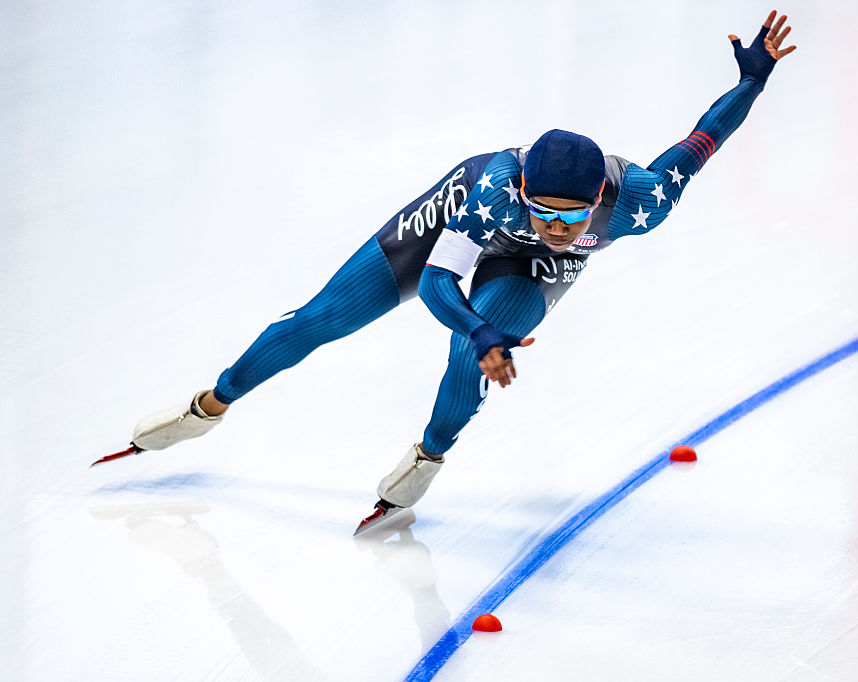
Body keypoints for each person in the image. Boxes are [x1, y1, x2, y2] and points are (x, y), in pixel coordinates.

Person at [129, 12, 797, 532]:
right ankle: (209, 405)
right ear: (525, 188)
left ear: (600, 201)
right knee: (325, 317)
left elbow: (699, 143)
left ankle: (428, 454)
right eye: (544, 210)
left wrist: (751, 81)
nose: (556, 226)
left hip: (533, 272)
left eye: (572, 218)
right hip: (464, 205)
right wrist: (478, 330)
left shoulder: (641, 202)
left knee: (470, 353)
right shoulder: (499, 192)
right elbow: (436, 282)